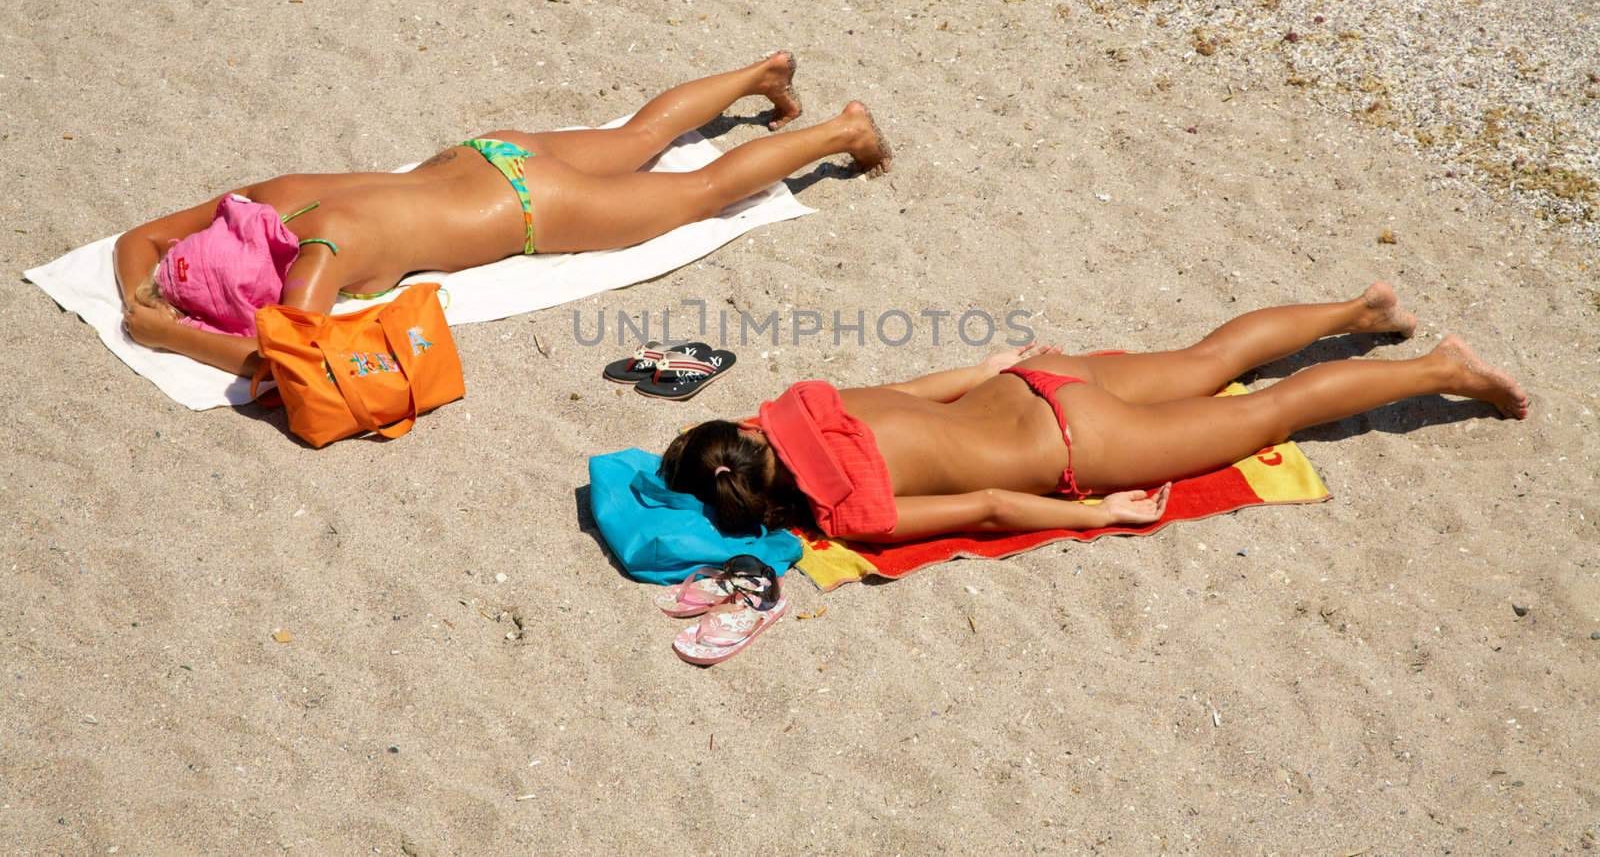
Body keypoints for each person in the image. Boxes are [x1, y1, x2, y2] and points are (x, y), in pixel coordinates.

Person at [114, 53, 891, 375]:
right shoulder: (271, 199)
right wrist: (136, 288)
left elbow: (290, 366)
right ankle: (763, 72)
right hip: (488, 155)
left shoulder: (315, 260)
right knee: (643, 137)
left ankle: (842, 130)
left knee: (703, 192)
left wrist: (163, 332)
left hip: (531, 206)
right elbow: (137, 238)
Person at [662, 284, 1529, 543]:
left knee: (1276, 411)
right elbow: (917, 390)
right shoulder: (799, 402)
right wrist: (991, 366)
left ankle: (1442, 367)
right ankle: (1359, 311)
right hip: (1033, 385)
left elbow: (991, 509)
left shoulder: (853, 514)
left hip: (1085, 442)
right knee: (1207, 360)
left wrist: (1095, 513)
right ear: (742, 430)